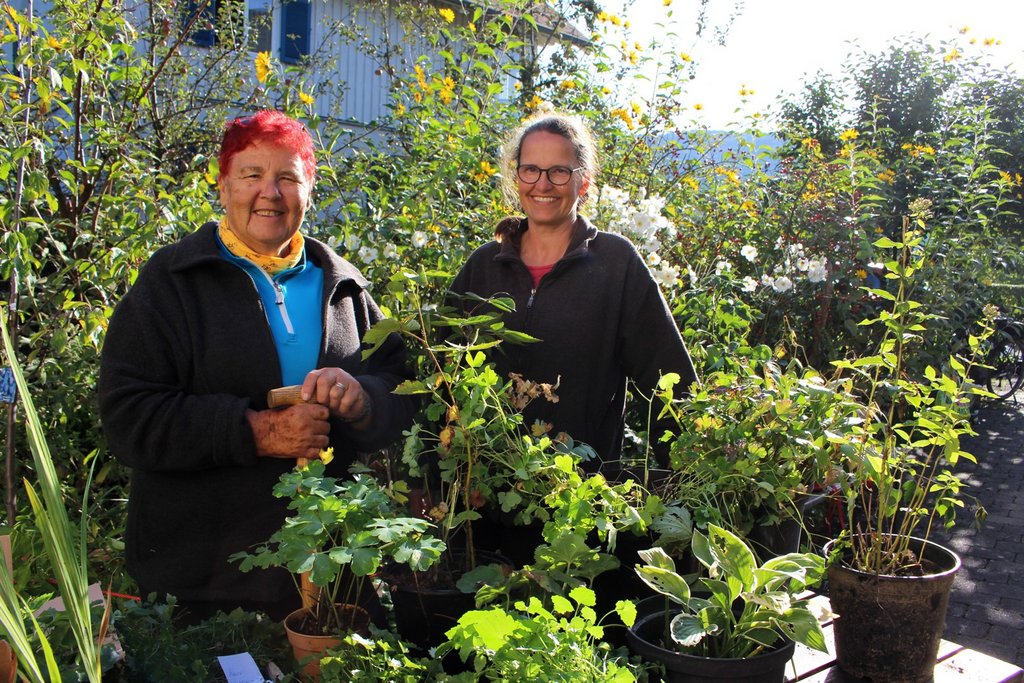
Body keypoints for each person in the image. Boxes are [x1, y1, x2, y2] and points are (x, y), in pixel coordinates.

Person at [99, 110, 415, 624]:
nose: (270, 192)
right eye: (251, 175)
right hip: (203, 577)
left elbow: (401, 387)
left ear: (309, 190)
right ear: (224, 186)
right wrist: (258, 431)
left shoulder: (344, 287)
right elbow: (128, 416)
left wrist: (363, 400)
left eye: (288, 177)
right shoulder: (173, 282)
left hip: (327, 577)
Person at [449, 111, 698, 472]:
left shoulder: (615, 264)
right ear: (517, 177)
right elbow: (443, 375)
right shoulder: (484, 267)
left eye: (559, 171)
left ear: (583, 181)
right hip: (481, 488)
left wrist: (693, 473)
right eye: (531, 170)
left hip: (580, 492)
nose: (543, 184)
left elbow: (667, 379)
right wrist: (428, 479)